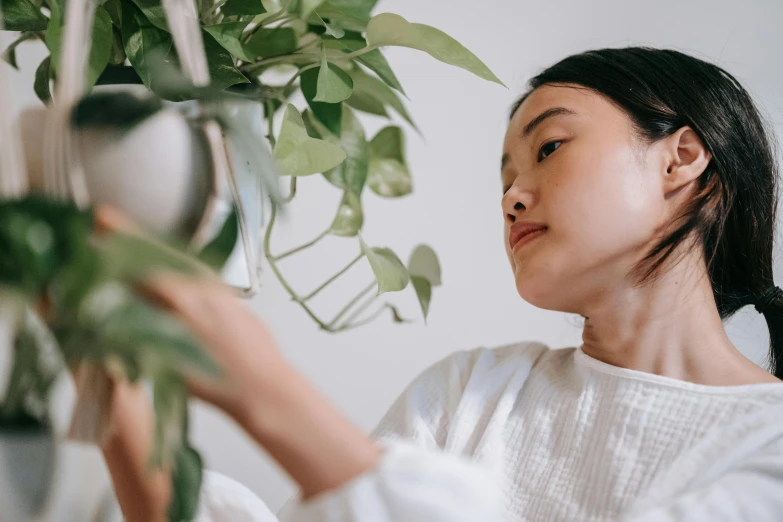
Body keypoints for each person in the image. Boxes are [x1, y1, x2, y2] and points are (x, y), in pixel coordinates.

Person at [98, 47, 783, 522]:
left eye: (548, 148)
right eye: (504, 177)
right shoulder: (473, 392)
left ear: (683, 158)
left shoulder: (766, 442)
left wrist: (262, 389)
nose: (514, 195)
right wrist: (115, 373)